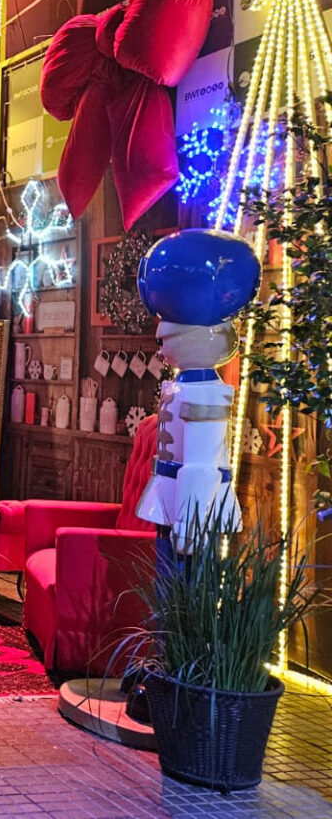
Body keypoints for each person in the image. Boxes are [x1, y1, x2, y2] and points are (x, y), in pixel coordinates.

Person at [133, 229, 260, 569]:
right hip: (172, 495)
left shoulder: (207, 394)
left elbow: (202, 463)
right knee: (168, 583)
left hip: (192, 505)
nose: (161, 350)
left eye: (165, 341)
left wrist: (191, 522)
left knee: (184, 585)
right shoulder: (185, 386)